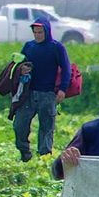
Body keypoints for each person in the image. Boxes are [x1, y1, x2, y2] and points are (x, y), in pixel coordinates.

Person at [14, 16, 70, 162]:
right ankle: (25, 153)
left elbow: (66, 69)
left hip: (48, 94)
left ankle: (43, 158)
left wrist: (63, 89)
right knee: (19, 124)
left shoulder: (57, 47)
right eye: (35, 32)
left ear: (47, 31)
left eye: (40, 32)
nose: (38, 35)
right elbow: (19, 64)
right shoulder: (29, 46)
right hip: (29, 94)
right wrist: (22, 69)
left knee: (46, 128)